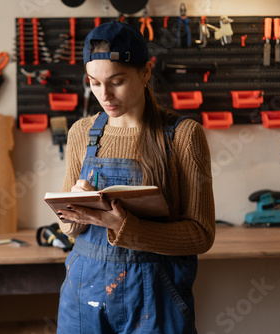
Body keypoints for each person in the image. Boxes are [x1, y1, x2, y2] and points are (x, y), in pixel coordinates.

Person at [56, 21, 215, 334]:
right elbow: (68, 228)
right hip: (84, 295)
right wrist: (74, 208)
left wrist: (126, 227)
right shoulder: (81, 132)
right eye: (95, 83)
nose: (105, 95)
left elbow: (201, 235)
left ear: (146, 73)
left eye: (117, 81)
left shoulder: (183, 136)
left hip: (155, 301)